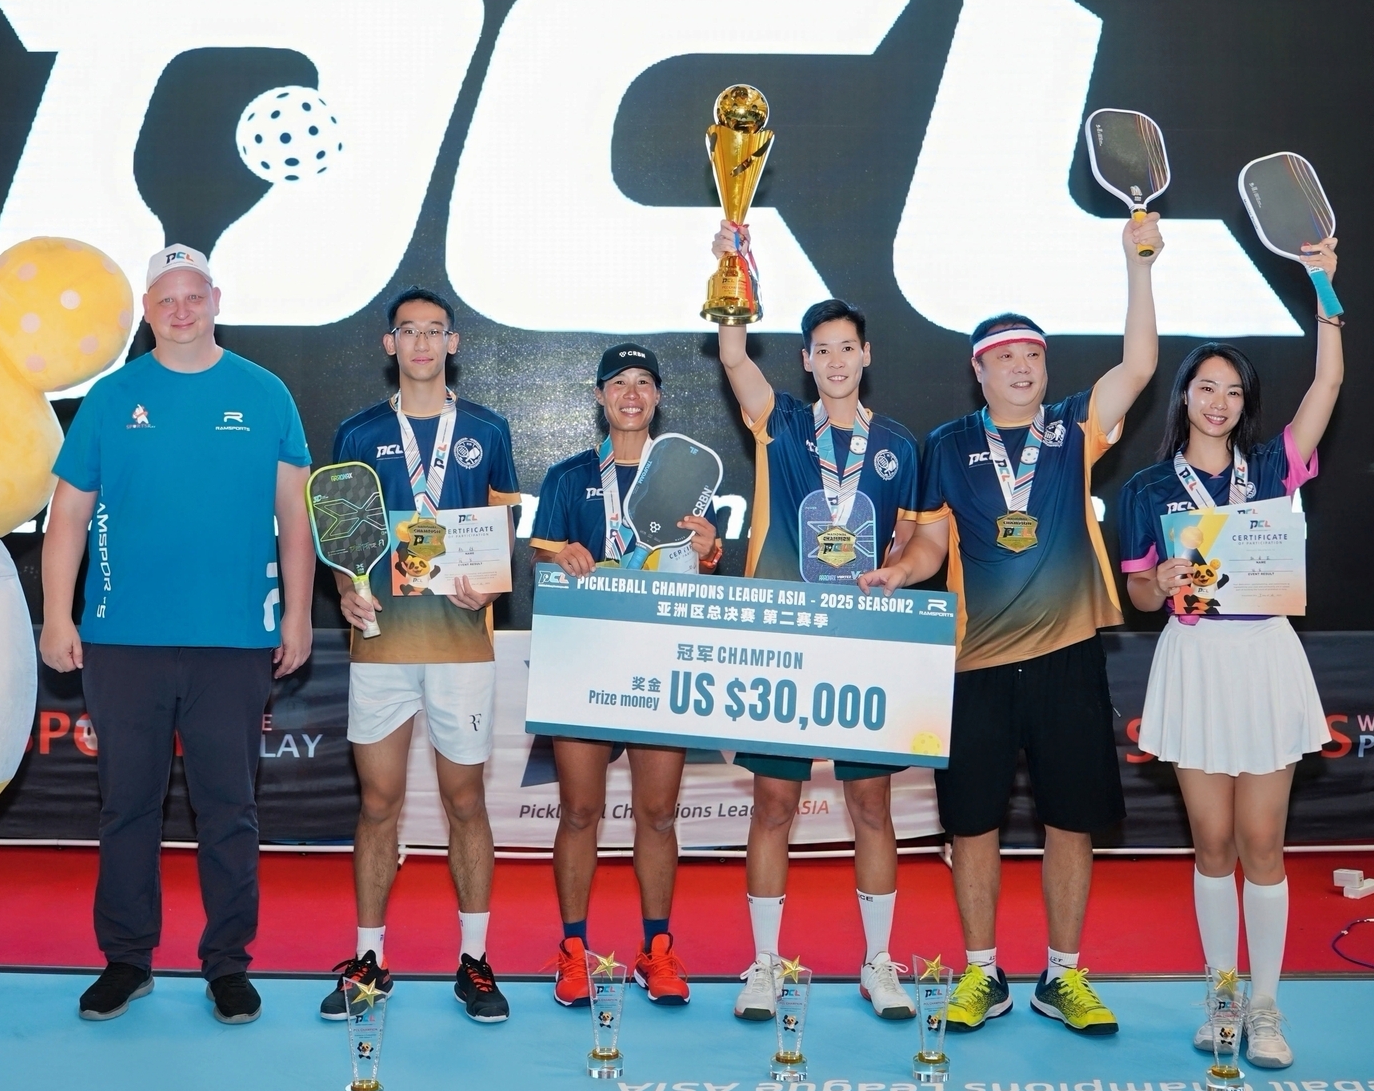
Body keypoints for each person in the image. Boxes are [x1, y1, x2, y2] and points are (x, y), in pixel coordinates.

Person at [862, 213, 1164, 1039]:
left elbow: (1140, 365)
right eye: (1006, 357)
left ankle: (1062, 976)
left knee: (1072, 820)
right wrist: (899, 572)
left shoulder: (1073, 427)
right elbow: (930, 542)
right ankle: (981, 971)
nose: (1023, 367)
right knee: (972, 824)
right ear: (979, 370)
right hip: (975, 664)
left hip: (1068, 654)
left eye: (1033, 355)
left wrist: (1138, 265)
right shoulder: (946, 445)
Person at [39, 244, 316, 1025]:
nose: (182, 310)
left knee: (229, 810)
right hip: (123, 640)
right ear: (148, 310)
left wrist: (298, 613)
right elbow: (66, 516)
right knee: (127, 807)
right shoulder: (111, 397)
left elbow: (294, 518)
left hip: (235, 640)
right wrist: (57, 613)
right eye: (167, 298)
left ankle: (227, 965)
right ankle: (127, 961)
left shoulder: (265, 393)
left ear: (216, 300)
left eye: (194, 295)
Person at [1115, 236, 1345, 1072]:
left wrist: (1323, 290)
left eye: (1233, 391)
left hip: (1265, 660)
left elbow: (1327, 386)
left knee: (1262, 843)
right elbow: (1140, 597)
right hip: (1195, 662)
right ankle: (1220, 996)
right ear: (1184, 396)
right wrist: (1159, 578)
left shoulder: (1272, 466)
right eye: (1206, 387)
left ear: (1245, 404)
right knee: (1211, 843)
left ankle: (1267, 1005)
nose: (1218, 402)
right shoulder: (1146, 489)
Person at [710, 225, 924, 1025]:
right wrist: (731, 265)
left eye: (847, 348)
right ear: (805, 360)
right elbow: (735, 357)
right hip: (786, 640)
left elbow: (917, 540)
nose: (835, 361)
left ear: (866, 356)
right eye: (821, 350)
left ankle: (878, 962)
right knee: (773, 803)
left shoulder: (899, 445)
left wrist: (901, 568)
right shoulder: (781, 425)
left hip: (865, 643)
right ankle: (764, 963)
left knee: (872, 808)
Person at [321, 287, 520, 1025]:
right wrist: (346, 594)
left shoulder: (489, 430)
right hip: (382, 644)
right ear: (390, 344)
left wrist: (491, 583)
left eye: (435, 331)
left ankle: (475, 961)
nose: (423, 343)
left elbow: (503, 530)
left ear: (453, 342)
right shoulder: (358, 431)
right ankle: (368, 961)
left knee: (465, 802)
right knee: (378, 804)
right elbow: (341, 537)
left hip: (462, 644)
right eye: (409, 331)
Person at [530, 343, 721, 1008]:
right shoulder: (568, 476)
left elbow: (706, 570)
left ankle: (656, 949)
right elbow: (540, 560)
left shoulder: (688, 477)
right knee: (579, 810)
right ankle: (574, 950)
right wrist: (560, 556)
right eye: (619, 383)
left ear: (658, 396)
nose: (632, 394)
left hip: (660, 662)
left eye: (644, 382)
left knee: (659, 814)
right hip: (583, 660)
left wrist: (710, 551)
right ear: (600, 396)